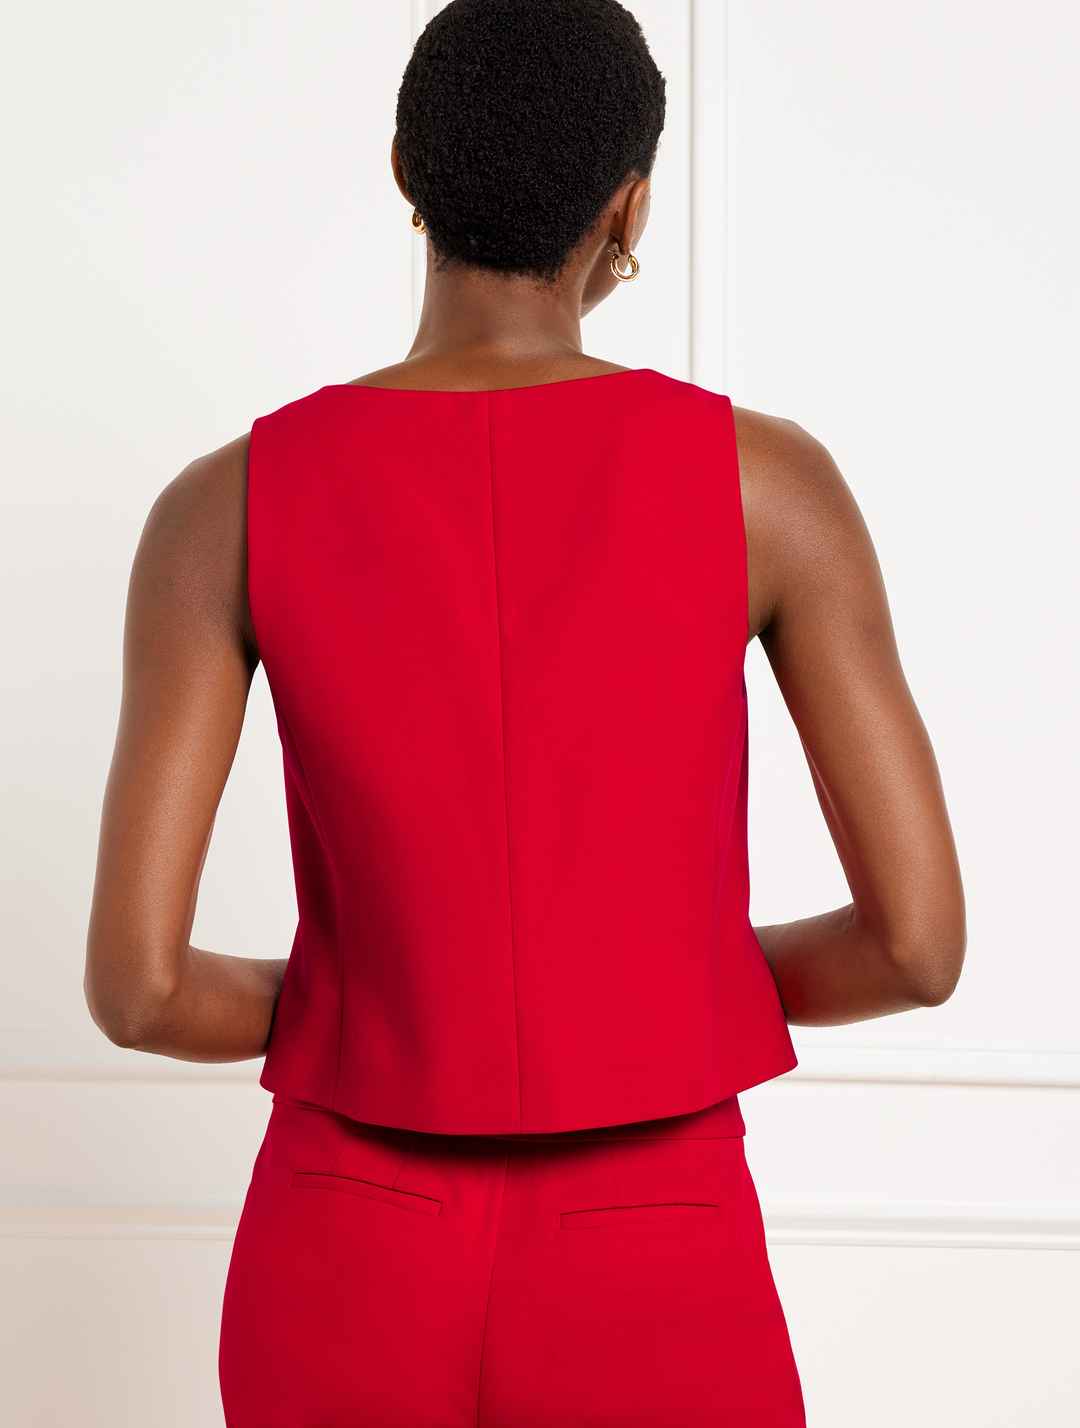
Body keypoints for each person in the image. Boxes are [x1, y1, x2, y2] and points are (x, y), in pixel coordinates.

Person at [84, 1, 966, 1424]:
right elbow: (915, 949)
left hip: (343, 1241)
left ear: (404, 170)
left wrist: (383, 994)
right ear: (630, 205)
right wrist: (647, 986)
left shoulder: (222, 506)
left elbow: (141, 991)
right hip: (656, 1243)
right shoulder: (769, 487)